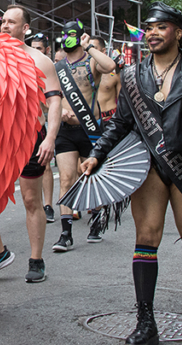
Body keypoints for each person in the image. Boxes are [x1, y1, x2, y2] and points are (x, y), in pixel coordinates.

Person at [81, 2, 182, 345]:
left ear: (177, 31)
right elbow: (123, 122)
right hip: (148, 165)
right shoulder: (133, 74)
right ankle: (146, 322)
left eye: (161, 27)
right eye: (149, 27)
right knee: (146, 237)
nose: (152, 33)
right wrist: (97, 153)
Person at [0, 4, 62, 283]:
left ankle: (36, 260)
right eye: (2, 21)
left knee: (30, 199)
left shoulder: (40, 60)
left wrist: (49, 138)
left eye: (11, 22)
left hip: (30, 138)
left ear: (25, 28)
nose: (4, 26)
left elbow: (54, 101)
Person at [53, 21, 116, 251]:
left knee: (92, 179)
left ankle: (97, 223)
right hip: (65, 132)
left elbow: (110, 66)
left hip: (90, 129)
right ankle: (66, 234)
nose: (66, 38)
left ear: (80, 36)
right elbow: (47, 99)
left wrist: (89, 47)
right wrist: (60, 111)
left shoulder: (91, 62)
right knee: (67, 179)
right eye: (64, 34)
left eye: (71, 34)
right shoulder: (57, 66)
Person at [30, 32, 56, 223]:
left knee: (45, 166)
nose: (35, 51)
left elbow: (54, 99)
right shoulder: (24, 64)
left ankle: (47, 205)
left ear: (46, 50)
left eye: (39, 48)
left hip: (44, 122)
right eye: (33, 47)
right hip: (26, 126)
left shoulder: (48, 66)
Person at [95, 35, 121, 122]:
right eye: (87, 49)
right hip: (88, 121)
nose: (90, 52)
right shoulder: (79, 73)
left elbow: (122, 101)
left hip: (109, 119)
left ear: (103, 51)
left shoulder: (115, 74)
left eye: (93, 48)